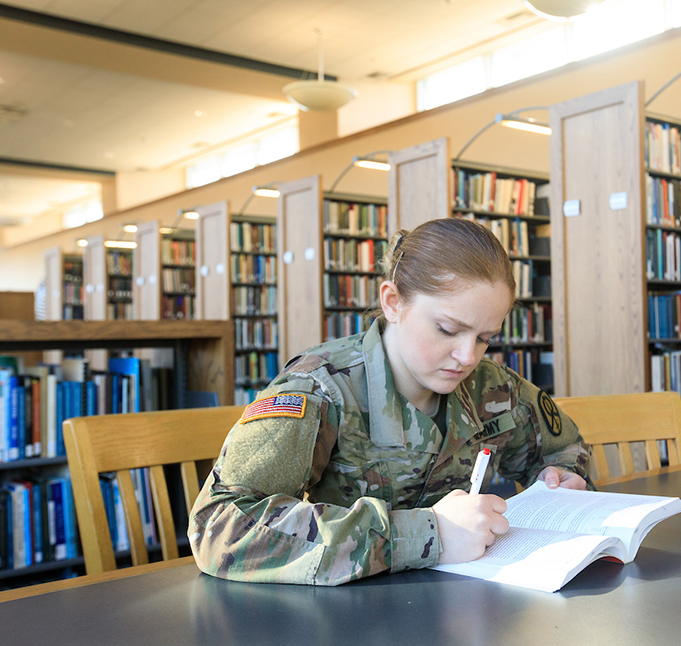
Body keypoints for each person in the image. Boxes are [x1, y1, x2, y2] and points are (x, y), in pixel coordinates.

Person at [188, 217, 592, 586]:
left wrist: (562, 476)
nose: (469, 357)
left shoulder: (493, 387)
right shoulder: (317, 390)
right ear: (393, 302)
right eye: (448, 329)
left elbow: (564, 449)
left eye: (485, 338)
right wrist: (427, 533)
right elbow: (219, 526)